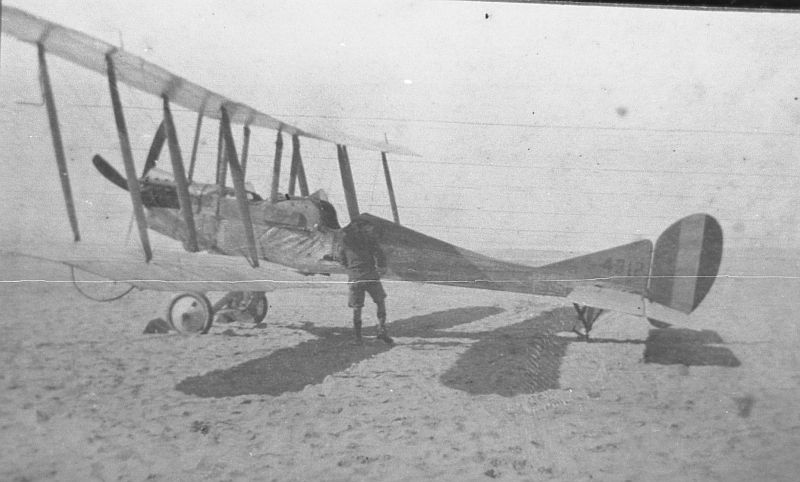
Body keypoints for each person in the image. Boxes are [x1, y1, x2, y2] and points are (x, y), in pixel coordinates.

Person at [337, 217, 392, 345]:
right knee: (380, 302)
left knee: (357, 308)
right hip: (371, 275)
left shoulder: (345, 241)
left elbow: (342, 260)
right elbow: (380, 254)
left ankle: (358, 338)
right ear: (362, 228)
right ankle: (381, 331)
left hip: (355, 278)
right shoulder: (369, 240)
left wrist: (351, 269)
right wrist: (381, 268)